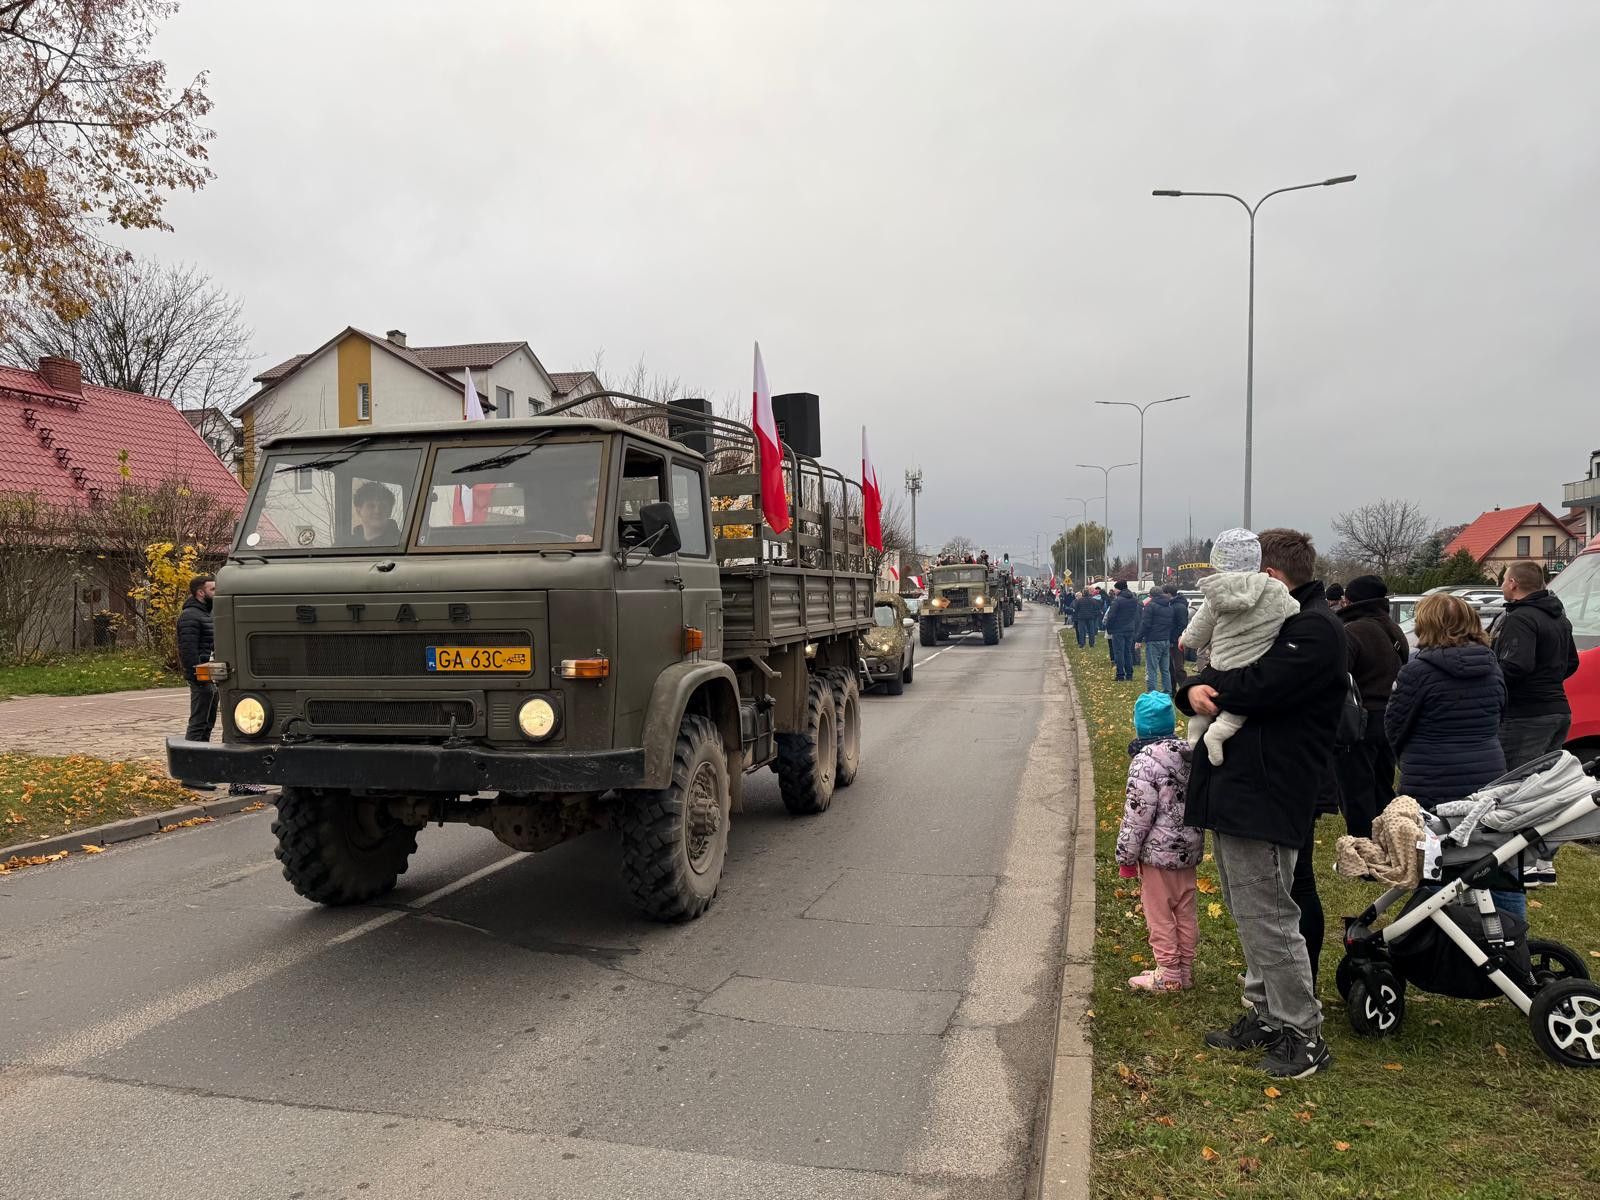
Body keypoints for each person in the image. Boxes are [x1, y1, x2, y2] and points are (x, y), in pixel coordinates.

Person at [1177, 528, 1345, 1079]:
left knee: (1270, 915)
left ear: (1268, 578)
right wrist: (1189, 693)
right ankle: (1265, 1013)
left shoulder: (1312, 629)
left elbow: (1256, 686)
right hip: (1237, 789)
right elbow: (1212, 675)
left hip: (1268, 791)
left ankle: (1303, 1031)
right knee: (1250, 913)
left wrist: (1207, 688)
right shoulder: (1276, 622)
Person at [1386, 593, 1521, 917]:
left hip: (1430, 777)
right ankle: (1511, 932)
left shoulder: (1417, 672)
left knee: (1435, 861)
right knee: (1494, 858)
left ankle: (1435, 932)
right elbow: (1499, 714)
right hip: (1487, 773)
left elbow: (1394, 726)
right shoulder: (1492, 668)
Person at [1177, 529, 1300, 765]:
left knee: (1204, 707)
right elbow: (1294, 613)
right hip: (1253, 663)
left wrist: (1185, 640)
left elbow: (1199, 628)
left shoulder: (1216, 592)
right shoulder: (1275, 590)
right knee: (1234, 715)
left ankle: (1194, 742)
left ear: (1218, 562)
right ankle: (1217, 736)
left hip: (1220, 665)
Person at [1493, 561, 1580, 887]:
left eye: (1504, 580)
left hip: (1525, 715)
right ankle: (1542, 860)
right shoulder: (1558, 617)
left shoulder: (1521, 618)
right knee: (1544, 790)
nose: (1502, 585)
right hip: (1557, 709)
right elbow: (1571, 662)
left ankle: (1520, 862)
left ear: (1513, 583)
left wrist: (1491, 683)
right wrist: (1549, 680)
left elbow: (1515, 665)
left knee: (1515, 789)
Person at [1116, 692, 1201, 990]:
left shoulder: (1145, 763)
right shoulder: (1190, 755)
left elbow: (1137, 815)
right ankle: (1185, 969)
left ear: (1141, 728)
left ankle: (1168, 973)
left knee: (1160, 913)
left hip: (1156, 855)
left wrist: (1126, 857)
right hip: (1188, 850)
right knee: (1185, 910)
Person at [1335, 574, 1409, 839]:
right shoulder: (1393, 628)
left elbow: (1339, 675)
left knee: (1356, 787)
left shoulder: (1352, 631)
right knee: (1382, 783)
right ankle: (1388, 839)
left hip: (1359, 718)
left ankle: (1362, 847)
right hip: (1390, 716)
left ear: (1351, 600)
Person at [176, 576, 218, 791]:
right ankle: (190, 774)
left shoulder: (206, 614)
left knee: (207, 725)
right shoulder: (190, 616)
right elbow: (188, 650)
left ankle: (202, 770)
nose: (216, 592)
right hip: (201, 678)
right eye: (213, 589)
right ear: (200, 593)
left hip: (211, 677)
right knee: (198, 724)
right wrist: (197, 676)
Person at [1135, 585, 1181, 693]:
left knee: (1152, 668)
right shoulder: (1169, 607)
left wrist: (1138, 638)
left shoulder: (1150, 606)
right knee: (1165, 669)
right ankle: (1168, 691)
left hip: (1153, 639)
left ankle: (1152, 692)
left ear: (1151, 596)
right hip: (1166, 639)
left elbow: (1145, 624)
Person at [1104, 580, 1140, 682]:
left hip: (1118, 629)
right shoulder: (1134, 599)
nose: (1114, 590)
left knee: (1119, 652)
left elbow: (1111, 616)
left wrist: (1109, 627)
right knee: (1128, 651)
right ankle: (1129, 674)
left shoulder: (1117, 601)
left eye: (1115, 588)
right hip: (1130, 629)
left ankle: (1120, 675)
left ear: (1119, 589)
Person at [351, 480, 402, 545]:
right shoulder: (345, 544)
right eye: (371, 506)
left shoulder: (401, 542)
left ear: (390, 511)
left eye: (382, 506)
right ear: (358, 511)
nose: (377, 511)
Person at [1165, 584, 1190, 691]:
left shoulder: (1179, 607)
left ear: (1168, 594)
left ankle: (1185, 690)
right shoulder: (1172, 605)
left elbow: (1182, 625)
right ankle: (1172, 690)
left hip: (1177, 641)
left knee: (1178, 668)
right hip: (1172, 639)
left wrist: (1174, 637)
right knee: (1170, 667)